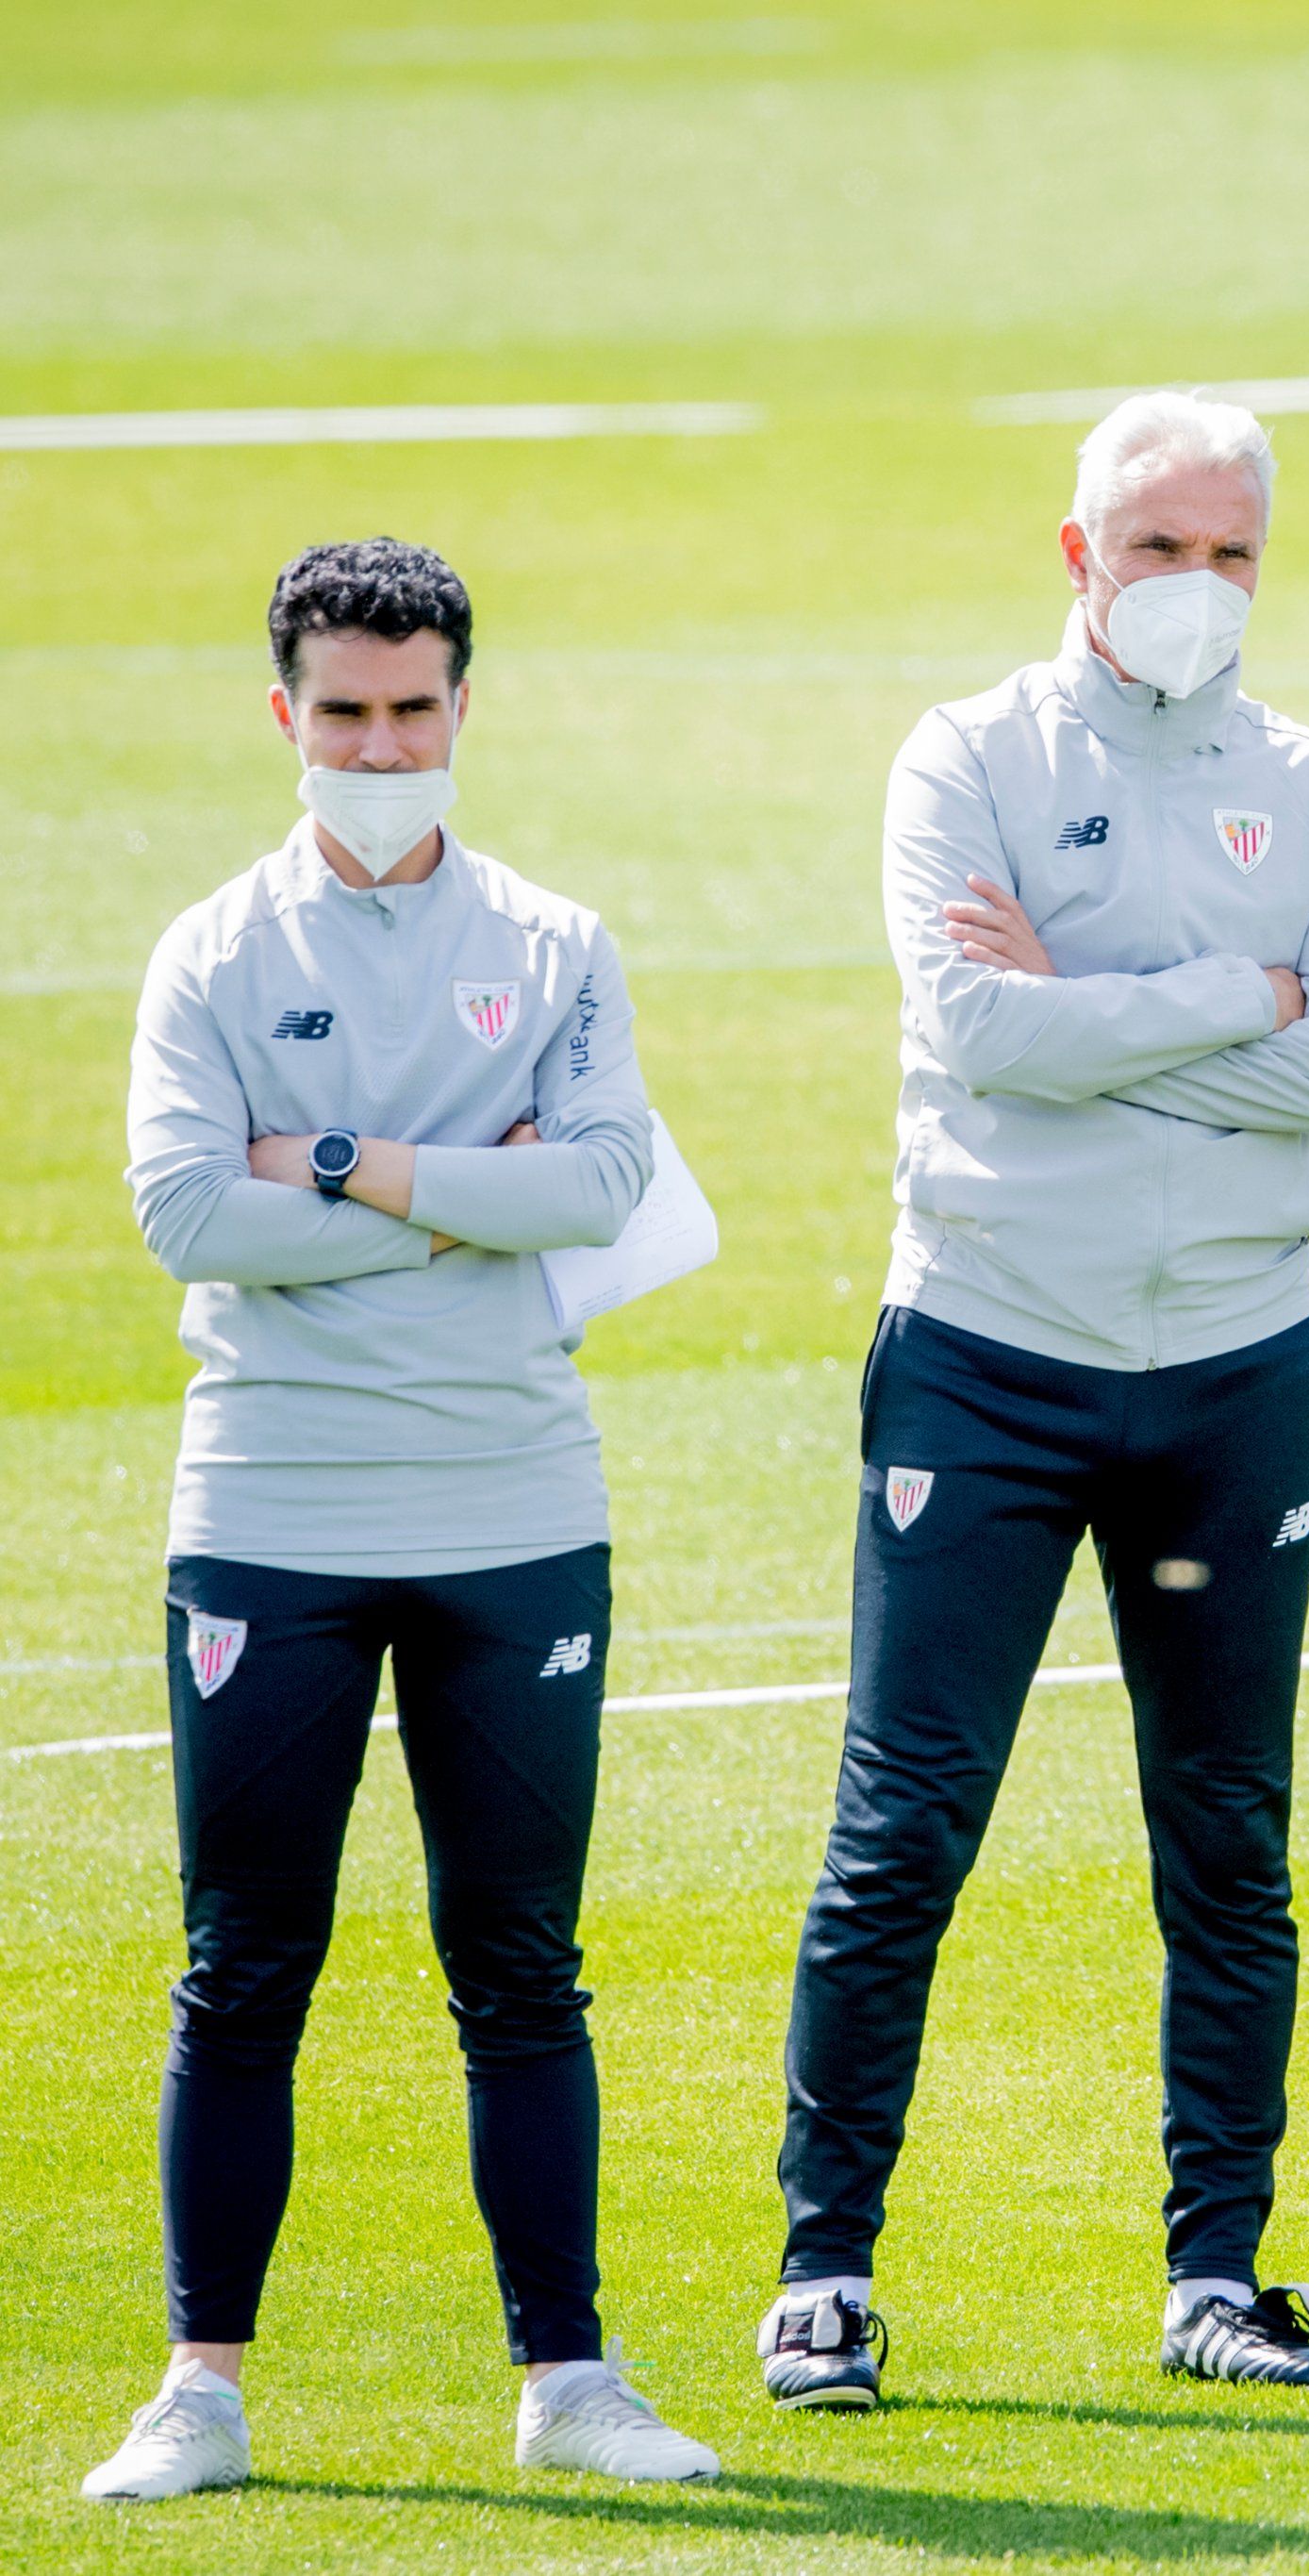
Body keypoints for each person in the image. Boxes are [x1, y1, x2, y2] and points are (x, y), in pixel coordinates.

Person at [760, 391, 1309, 2407]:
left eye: (1229, 555)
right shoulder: (964, 755)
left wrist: (1096, 1023)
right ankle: (824, 2270)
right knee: (904, 1825)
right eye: (1156, 549)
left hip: (1232, 1374)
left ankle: (1216, 2270)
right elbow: (970, 1026)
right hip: (987, 1358)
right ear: (1077, 556)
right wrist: (1242, 999)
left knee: (1227, 1834)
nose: (1193, 589)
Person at [91, 539, 714, 2501]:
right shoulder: (212, 951)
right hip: (270, 1507)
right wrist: (468, 1182)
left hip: (514, 1510)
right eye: (345, 712)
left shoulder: (553, 941)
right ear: (286, 717)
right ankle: (199, 2388)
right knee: (244, 1961)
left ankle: (570, 2378)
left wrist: (343, 1162)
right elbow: (191, 1215)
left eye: (413, 709)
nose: (381, 743)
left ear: (462, 710)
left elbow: (604, 1180)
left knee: (519, 1962)